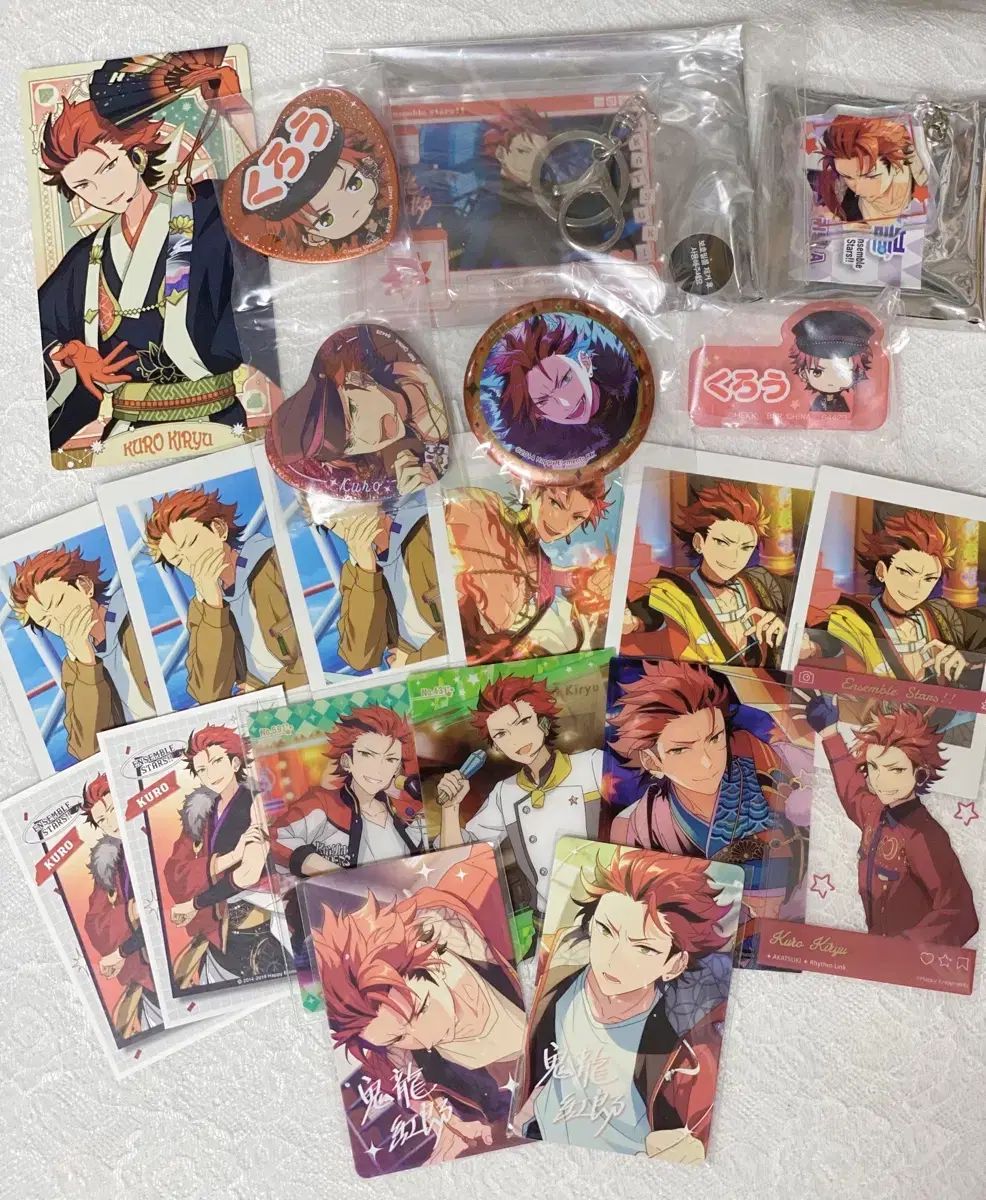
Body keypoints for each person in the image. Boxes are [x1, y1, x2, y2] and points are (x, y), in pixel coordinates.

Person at [37, 49, 260, 453]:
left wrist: (235, 108)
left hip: (218, 422)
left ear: (135, 154)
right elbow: (37, 326)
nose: (102, 191)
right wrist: (68, 354)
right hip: (125, 434)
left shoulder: (208, 208)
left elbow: (275, 197)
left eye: (107, 168)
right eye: (84, 186)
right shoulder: (87, 257)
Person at [515, 846, 734, 1161]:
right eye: (606, 930)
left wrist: (686, 1147)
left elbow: (694, 1129)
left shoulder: (685, 1046)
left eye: (643, 948)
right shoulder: (556, 984)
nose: (613, 959)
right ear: (591, 924)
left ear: (674, 965)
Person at [313, 845, 526, 1164]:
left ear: (434, 947)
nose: (426, 1041)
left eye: (419, 1009)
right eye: (399, 1037)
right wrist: (446, 1123)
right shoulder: (434, 1080)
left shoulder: (484, 895)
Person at [607, 660, 809, 926]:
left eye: (715, 738)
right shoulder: (635, 825)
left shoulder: (773, 761)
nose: (707, 762)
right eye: (681, 749)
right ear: (652, 762)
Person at [805, 696, 978, 945]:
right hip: (876, 946)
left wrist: (904, 949)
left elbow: (960, 913)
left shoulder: (924, 835)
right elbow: (852, 789)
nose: (880, 781)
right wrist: (830, 734)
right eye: (873, 767)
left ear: (920, 774)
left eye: (895, 770)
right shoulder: (875, 811)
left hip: (905, 955)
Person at [436, 675, 602, 913]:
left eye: (523, 722)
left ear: (543, 722)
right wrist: (450, 808)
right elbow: (461, 860)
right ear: (496, 745)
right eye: (501, 734)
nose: (517, 738)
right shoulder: (505, 792)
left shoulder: (592, 764)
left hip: (602, 910)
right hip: (546, 919)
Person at [144, 485, 306, 702]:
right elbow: (207, 694)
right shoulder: (201, 608)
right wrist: (213, 608)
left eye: (191, 543)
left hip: (296, 693)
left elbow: (309, 657)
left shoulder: (273, 562)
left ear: (219, 529)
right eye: (178, 560)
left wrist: (271, 691)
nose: (190, 561)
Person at [802, 509, 986, 690]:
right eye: (906, 572)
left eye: (929, 579)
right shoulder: (854, 617)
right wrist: (813, 646)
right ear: (882, 571)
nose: (917, 588)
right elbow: (830, 640)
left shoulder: (942, 613)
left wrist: (968, 661)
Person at [623, 481, 797, 669]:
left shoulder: (760, 581)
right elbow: (649, 614)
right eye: (723, 543)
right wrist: (634, 622)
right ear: (699, 543)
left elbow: (806, 618)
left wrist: (784, 627)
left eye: (746, 547)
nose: (735, 558)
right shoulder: (671, 591)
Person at [164, 724, 286, 987]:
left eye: (217, 762)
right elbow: (175, 872)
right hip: (218, 931)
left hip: (262, 927)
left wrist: (194, 903)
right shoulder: (199, 815)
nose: (211, 774)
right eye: (202, 769)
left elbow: (248, 873)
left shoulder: (258, 803)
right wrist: (231, 857)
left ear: (235, 763)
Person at [268, 324, 448, 499]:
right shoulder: (411, 459)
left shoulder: (380, 345)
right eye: (350, 444)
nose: (370, 438)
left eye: (353, 413)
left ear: (357, 379)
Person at [10, 544, 154, 759]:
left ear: (85, 586)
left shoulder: (131, 612)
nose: (58, 620)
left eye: (58, 603)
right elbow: (86, 749)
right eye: (46, 621)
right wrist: (87, 665)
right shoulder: (74, 668)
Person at [446, 479, 614, 663]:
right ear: (532, 490)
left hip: (481, 659)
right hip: (445, 634)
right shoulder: (483, 509)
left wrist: (583, 578)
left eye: (577, 517)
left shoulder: (541, 566)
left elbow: (547, 575)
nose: (562, 524)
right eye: (555, 503)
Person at [270, 705, 424, 874]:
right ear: (346, 761)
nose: (378, 769)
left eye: (390, 759)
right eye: (368, 755)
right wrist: (337, 875)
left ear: (397, 768)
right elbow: (274, 839)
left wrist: (445, 809)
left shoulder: (404, 812)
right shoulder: (322, 804)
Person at [484, 313, 637, 464]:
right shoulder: (557, 457)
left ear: (585, 364)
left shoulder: (633, 388)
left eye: (565, 379)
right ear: (539, 414)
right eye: (544, 400)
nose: (566, 403)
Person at [320, 493, 446, 672]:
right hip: (422, 671)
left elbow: (470, 628)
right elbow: (359, 658)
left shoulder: (428, 527)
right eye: (332, 523)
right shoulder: (354, 570)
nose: (346, 527)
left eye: (344, 508)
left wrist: (412, 662)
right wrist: (367, 573)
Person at [81, 772, 161, 1037]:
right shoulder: (107, 863)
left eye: (112, 811)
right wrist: (130, 911)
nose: (110, 823)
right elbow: (94, 924)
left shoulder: (154, 831)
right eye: (101, 821)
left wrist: (121, 950)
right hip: (142, 973)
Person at [812, 114, 928, 225]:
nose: (858, 191)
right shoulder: (847, 208)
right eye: (848, 177)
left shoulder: (924, 179)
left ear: (896, 161)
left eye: (869, 176)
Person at [788, 309, 875, 413]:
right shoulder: (817, 403)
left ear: (857, 373)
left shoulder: (841, 402)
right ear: (803, 374)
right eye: (817, 372)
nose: (830, 381)